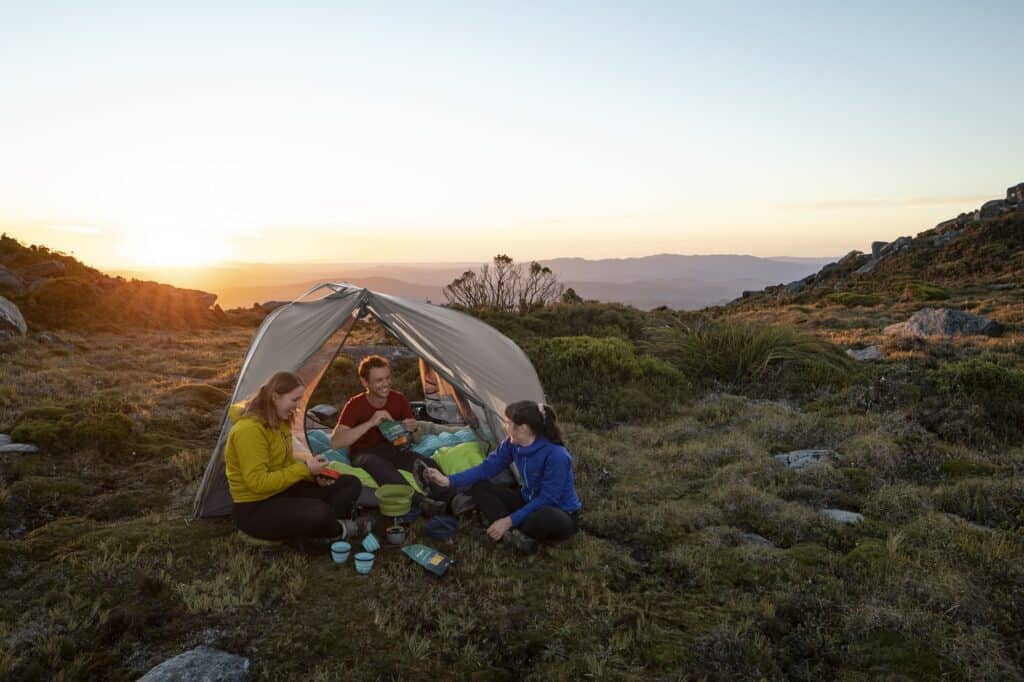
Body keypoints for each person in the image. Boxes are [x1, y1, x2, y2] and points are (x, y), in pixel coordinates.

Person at [226, 371, 370, 554]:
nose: (297, 407)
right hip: (255, 507)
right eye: (294, 400)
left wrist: (314, 476)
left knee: (350, 483)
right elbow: (257, 483)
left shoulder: (280, 420)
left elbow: (285, 463)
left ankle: (313, 533)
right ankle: (341, 529)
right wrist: (305, 469)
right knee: (320, 511)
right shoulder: (249, 431)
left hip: (283, 490)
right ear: (275, 397)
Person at [422, 400, 582, 553]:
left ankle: (511, 530)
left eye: (508, 422)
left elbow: (547, 499)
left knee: (544, 515)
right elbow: (486, 469)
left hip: (559, 512)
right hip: (527, 500)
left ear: (523, 428)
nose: (505, 426)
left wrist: (508, 520)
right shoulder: (512, 444)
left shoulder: (556, 455)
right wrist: (448, 480)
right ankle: (512, 535)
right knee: (480, 486)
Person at [331, 355, 444, 506]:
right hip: (364, 454)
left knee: (427, 463)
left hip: (393, 449)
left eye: (387, 378)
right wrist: (370, 423)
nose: (386, 384)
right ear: (365, 382)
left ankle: (450, 497)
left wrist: (414, 428)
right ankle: (422, 502)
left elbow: (417, 439)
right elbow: (335, 442)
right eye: (379, 380)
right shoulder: (354, 405)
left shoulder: (399, 400)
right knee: (378, 465)